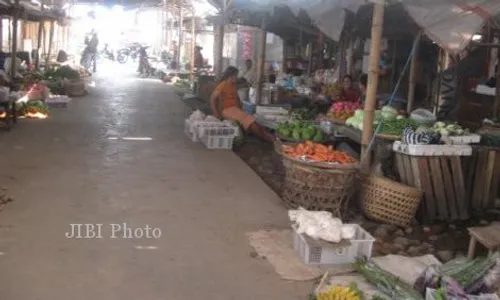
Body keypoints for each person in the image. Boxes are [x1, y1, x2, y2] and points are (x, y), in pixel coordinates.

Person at [210, 66, 275, 143]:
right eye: (236, 76)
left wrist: (241, 108)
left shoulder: (233, 84)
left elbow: (237, 98)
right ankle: (270, 140)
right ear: (231, 76)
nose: (237, 77)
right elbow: (212, 98)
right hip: (227, 110)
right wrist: (216, 113)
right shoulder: (222, 85)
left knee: (255, 122)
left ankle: (271, 137)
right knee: (252, 124)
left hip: (235, 109)